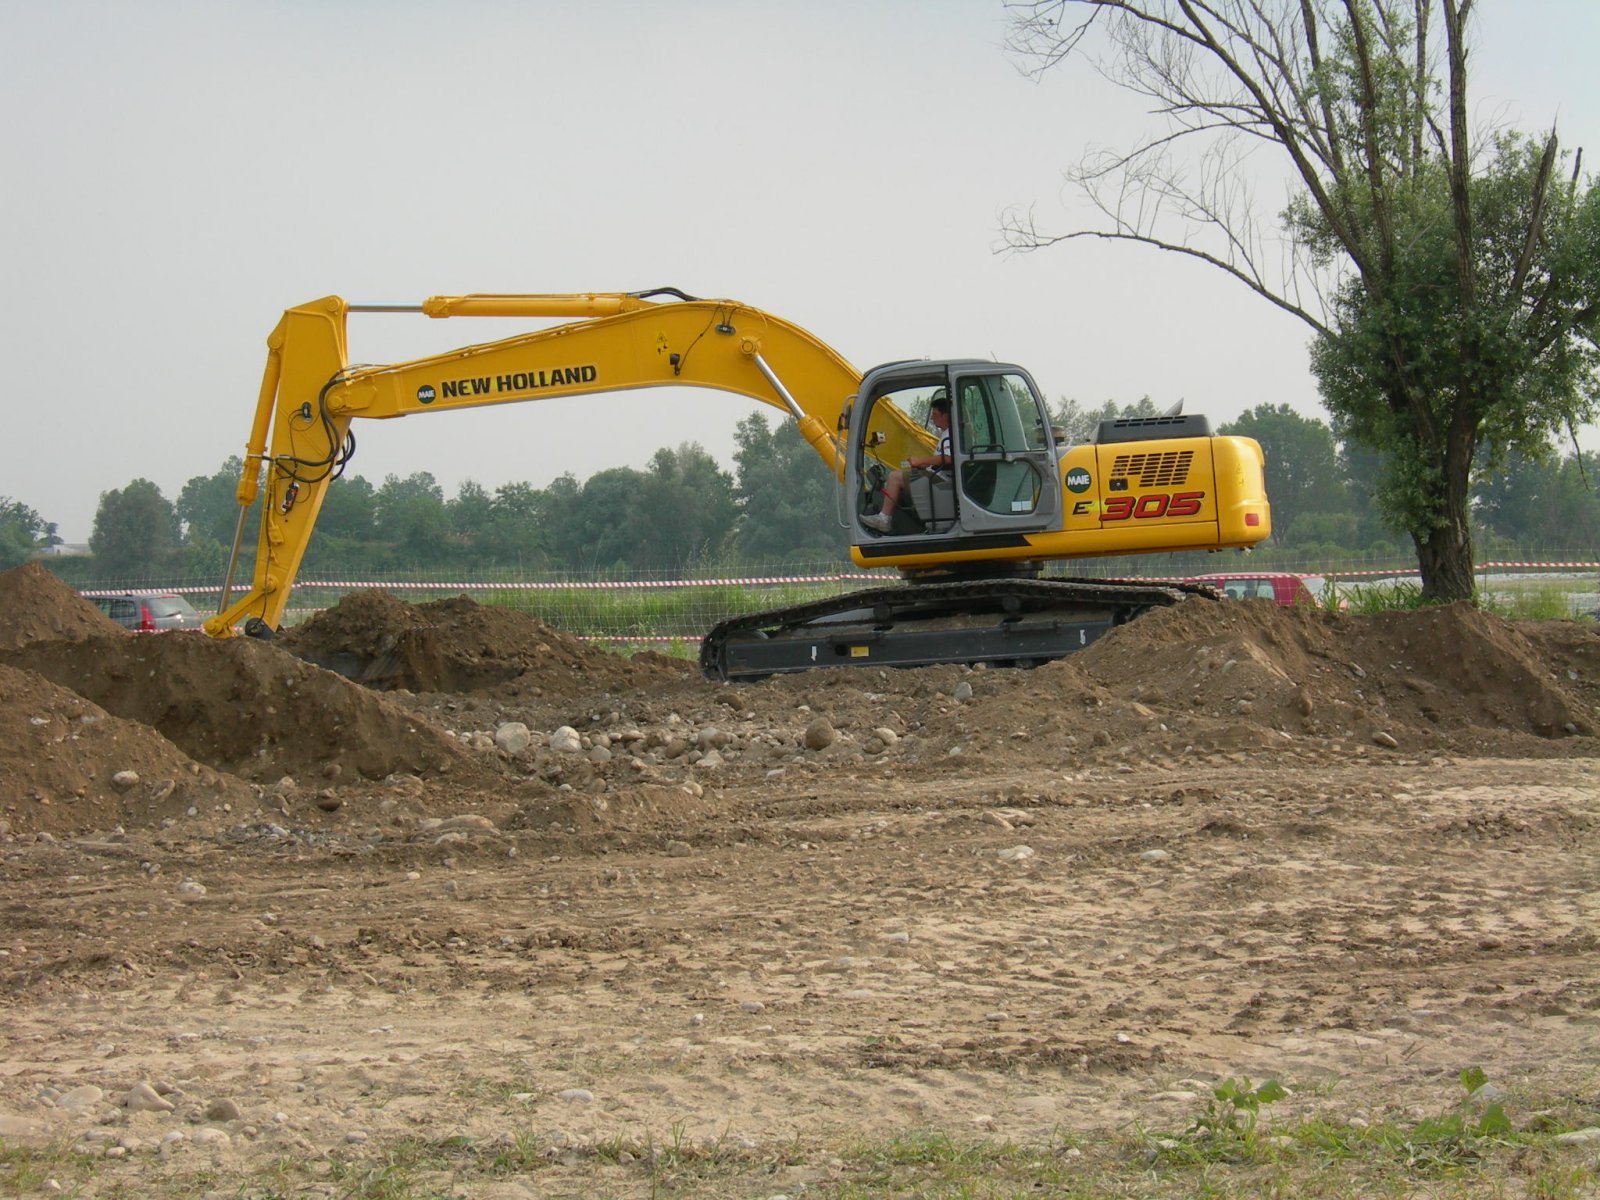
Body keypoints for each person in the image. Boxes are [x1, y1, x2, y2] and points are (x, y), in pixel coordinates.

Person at [862, 394, 951, 533]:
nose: (932, 417)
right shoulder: (946, 434)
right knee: (902, 479)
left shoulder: (951, 434)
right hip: (939, 478)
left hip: (941, 482)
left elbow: (948, 458)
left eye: (935, 414)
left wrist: (921, 461)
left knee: (894, 477)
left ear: (945, 415)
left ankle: (884, 519)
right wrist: (924, 465)